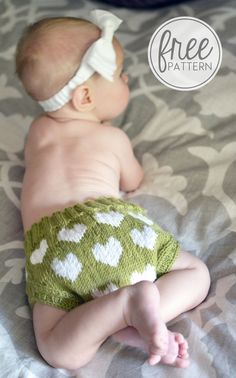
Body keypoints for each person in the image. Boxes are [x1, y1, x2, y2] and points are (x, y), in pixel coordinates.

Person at [16, 10, 210, 371]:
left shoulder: (36, 134)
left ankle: (117, 311)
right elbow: (132, 181)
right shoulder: (113, 137)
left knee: (59, 350)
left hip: (51, 249)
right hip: (114, 226)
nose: (126, 77)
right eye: (119, 73)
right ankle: (132, 311)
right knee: (195, 275)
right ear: (85, 98)